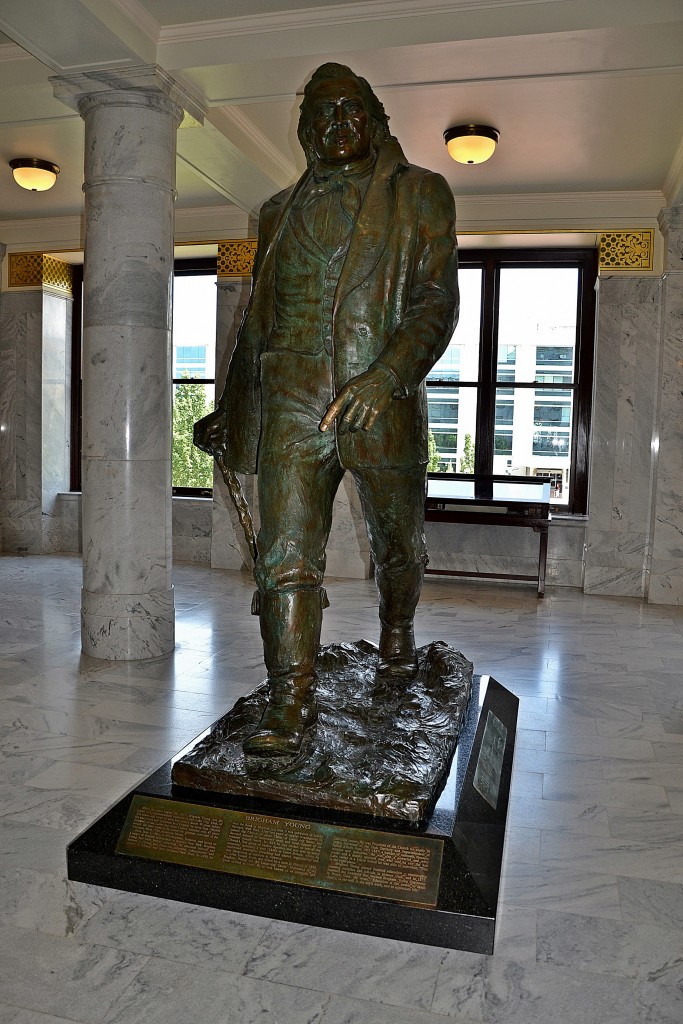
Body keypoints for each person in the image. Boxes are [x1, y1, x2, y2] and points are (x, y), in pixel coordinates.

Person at [195, 62, 459, 757]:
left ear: (375, 120)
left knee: (395, 542)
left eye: (350, 110)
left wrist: (388, 377)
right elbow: (258, 321)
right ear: (304, 128)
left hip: (381, 400)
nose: (337, 123)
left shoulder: (420, 193)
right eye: (322, 113)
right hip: (291, 401)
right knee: (284, 557)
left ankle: (397, 627)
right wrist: (232, 404)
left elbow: (436, 300)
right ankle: (290, 700)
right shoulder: (277, 211)